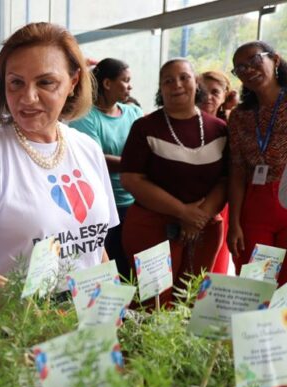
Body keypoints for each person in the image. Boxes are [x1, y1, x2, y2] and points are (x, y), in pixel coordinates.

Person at [0, 22, 118, 285]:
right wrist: (6, 296)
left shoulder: (88, 149)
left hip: (90, 316)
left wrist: (112, 302)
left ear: (73, 82)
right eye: (16, 83)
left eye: (45, 82)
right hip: (22, 320)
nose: (28, 97)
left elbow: (93, 244)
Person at [121, 59, 228, 306]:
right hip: (151, 227)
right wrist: (183, 212)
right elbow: (131, 179)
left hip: (204, 227)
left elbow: (225, 180)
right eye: (168, 80)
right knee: (153, 302)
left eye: (184, 77)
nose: (176, 84)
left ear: (196, 82)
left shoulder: (220, 129)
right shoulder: (145, 127)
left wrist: (198, 217)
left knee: (191, 300)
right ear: (161, 88)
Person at [70, 58, 143, 279]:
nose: (130, 86)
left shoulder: (134, 113)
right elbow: (95, 159)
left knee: (133, 267)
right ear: (107, 84)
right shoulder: (85, 118)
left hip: (136, 201)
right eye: (125, 80)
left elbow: (146, 150)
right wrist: (134, 164)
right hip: (101, 206)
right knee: (107, 267)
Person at [228, 41, 287, 285]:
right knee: (255, 282)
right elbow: (237, 170)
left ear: (274, 60)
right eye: (239, 68)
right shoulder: (240, 116)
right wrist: (234, 223)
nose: (247, 70)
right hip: (255, 204)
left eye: (253, 60)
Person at [197, 70, 235, 274]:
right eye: (202, 90)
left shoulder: (230, 127)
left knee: (214, 263)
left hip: (219, 204)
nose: (208, 97)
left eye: (215, 92)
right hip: (183, 203)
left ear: (224, 96)